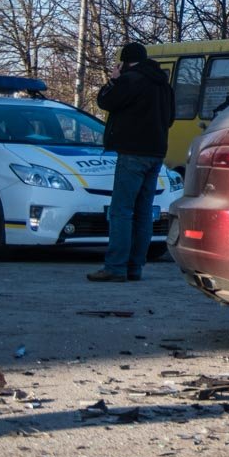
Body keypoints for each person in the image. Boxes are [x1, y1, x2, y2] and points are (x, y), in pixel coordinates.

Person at [87, 42, 175, 282]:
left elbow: (106, 102)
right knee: (143, 211)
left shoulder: (130, 80)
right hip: (156, 154)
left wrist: (113, 80)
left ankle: (115, 267)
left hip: (132, 152)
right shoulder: (163, 84)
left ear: (125, 62)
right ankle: (135, 267)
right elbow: (170, 118)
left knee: (121, 210)